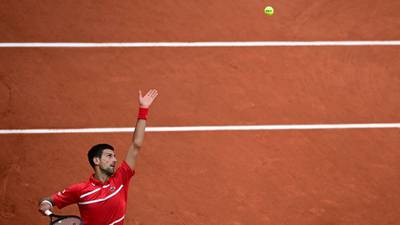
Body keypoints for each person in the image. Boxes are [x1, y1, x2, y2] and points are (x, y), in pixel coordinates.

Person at [38, 89, 158, 225]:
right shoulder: (80, 190)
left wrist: (143, 109)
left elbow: (136, 145)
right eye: (109, 156)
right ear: (96, 160)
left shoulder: (121, 178)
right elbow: (49, 200)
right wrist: (45, 204)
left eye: (115, 156)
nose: (115, 160)